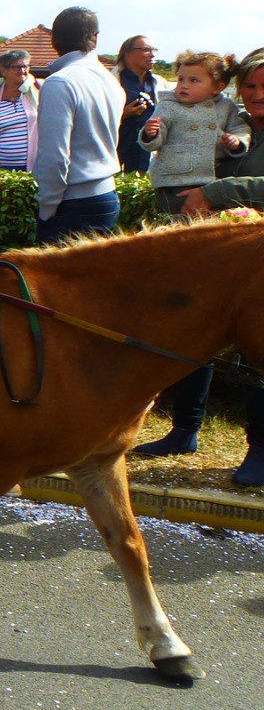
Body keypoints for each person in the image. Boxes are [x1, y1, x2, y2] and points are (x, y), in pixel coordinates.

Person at [135, 46, 264, 485]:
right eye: (251, 85)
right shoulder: (226, 118)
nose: (257, 93)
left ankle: (260, 449)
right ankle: (184, 430)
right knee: (195, 334)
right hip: (217, 251)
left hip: (257, 261)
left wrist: (219, 191)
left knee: (258, 351)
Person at [33, 6, 123, 243]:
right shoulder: (109, 79)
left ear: (54, 40)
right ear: (95, 37)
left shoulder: (59, 82)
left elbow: (55, 155)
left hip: (72, 201)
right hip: (106, 193)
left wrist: (47, 208)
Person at [135, 50, 249, 216]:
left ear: (217, 87)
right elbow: (156, 140)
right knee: (181, 219)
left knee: (208, 220)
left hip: (211, 178)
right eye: (181, 79)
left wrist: (237, 140)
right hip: (173, 180)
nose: (184, 85)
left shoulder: (226, 107)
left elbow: (240, 128)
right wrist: (150, 133)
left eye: (193, 80)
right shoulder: (168, 105)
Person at [0, 49, 41, 172]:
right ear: (4, 70)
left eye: (25, 66)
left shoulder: (38, 90)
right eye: (17, 67)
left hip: (32, 169)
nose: (23, 71)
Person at [116, 35, 161, 172]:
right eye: (146, 50)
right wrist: (123, 115)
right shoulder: (112, 82)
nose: (152, 54)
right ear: (128, 54)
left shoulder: (159, 84)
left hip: (149, 158)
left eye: (154, 50)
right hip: (118, 155)